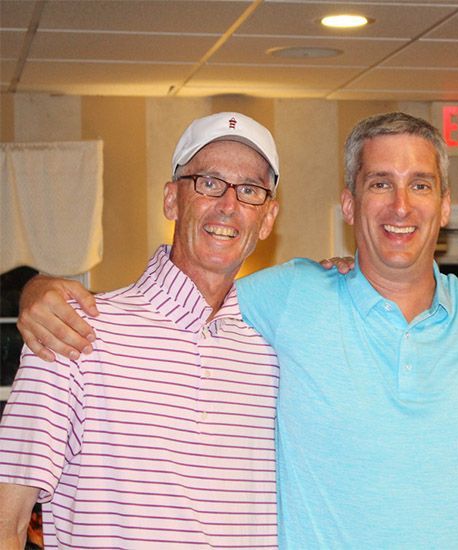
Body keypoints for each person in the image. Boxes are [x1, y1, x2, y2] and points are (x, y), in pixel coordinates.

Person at [17, 112, 458, 548]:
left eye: (419, 184)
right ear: (348, 204)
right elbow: (181, 296)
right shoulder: (285, 298)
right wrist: (37, 291)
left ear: (445, 206)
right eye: (379, 184)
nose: (400, 206)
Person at [0, 112, 281, 549]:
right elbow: (8, 520)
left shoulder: (276, 351)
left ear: (267, 219)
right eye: (208, 182)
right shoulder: (73, 329)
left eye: (249, 190)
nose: (228, 204)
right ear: (172, 200)